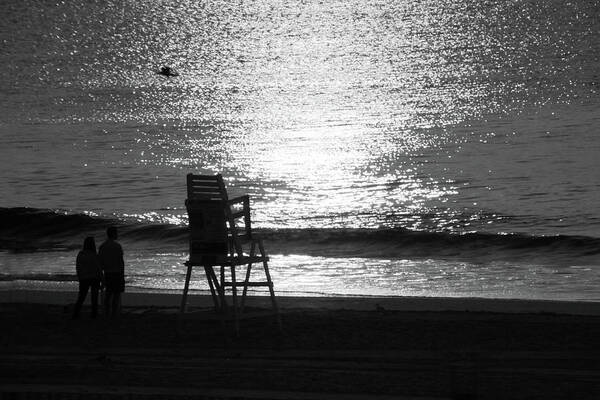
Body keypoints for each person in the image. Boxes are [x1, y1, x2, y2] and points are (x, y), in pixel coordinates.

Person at [72, 237, 102, 319]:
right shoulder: (94, 255)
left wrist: (80, 277)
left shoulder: (81, 254)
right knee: (94, 297)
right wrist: (102, 278)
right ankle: (94, 314)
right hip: (94, 278)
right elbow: (98, 268)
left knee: (81, 297)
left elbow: (78, 267)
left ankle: (76, 313)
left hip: (84, 278)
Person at [98, 226, 125, 317]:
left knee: (108, 295)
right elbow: (121, 261)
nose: (117, 234)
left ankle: (107, 313)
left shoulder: (103, 246)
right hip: (117, 272)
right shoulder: (117, 246)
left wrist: (101, 277)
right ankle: (114, 313)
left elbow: (100, 263)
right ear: (113, 234)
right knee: (116, 295)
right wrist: (122, 274)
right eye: (116, 233)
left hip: (108, 273)